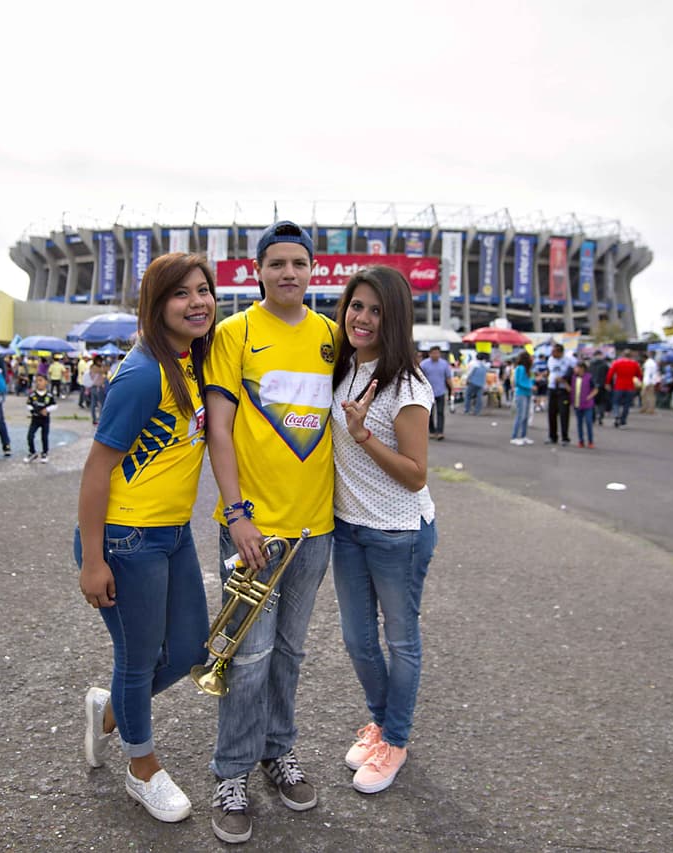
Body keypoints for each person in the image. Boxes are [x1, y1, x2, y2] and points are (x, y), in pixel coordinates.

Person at [203, 221, 338, 844]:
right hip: (254, 530)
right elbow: (220, 430)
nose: (289, 273)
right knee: (246, 657)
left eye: (299, 264)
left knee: (290, 653)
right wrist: (237, 514)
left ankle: (277, 753)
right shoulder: (235, 333)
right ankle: (230, 773)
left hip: (316, 529)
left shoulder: (332, 338)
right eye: (277, 263)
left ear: (315, 270)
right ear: (257, 270)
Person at [75, 252, 216, 824]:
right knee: (137, 661)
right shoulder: (142, 373)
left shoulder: (193, 361)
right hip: (126, 539)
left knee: (188, 650)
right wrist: (91, 559)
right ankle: (142, 767)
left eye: (203, 290)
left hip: (173, 534)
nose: (197, 302)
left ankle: (110, 713)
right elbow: (96, 468)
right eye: (181, 293)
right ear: (155, 306)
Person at [330, 266, 436, 795]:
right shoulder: (343, 368)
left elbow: (416, 473)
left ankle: (395, 738)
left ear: (394, 318)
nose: (363, 318)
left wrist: (364, 434)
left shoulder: (409, 384)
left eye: (376, 309)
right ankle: (380, 721)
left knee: (400, 640)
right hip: (347, 528)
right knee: (356, 640)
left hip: (399, 532)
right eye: (356, 305)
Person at [544, 343, 576, 445]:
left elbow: (573, 372)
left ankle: (565, 437)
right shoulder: (550, 360)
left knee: (564, 413)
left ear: (560, 352)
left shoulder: (569, 360)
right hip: (552, 388)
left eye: (554, 352)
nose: (552, 353)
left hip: (563, 389)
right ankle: (552, 436)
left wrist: (564, 378)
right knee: (551, 413)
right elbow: (550, 371)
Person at [418, 346, 452, 439]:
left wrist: (451, 389)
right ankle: (432, 431)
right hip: (428, 393)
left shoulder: (444, 364)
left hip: (441, 391)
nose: (436, 355)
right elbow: (419, 378)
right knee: (429, 413)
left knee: (440, 412)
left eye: (437, 353)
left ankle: (440, 432)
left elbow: (448, 378)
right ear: (430, 354)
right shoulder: (424, 364)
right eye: (434, 353)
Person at [24, 374, 57, 463]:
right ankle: (32, 452)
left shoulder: (49, 395)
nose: (38, 383)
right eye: (37, 381)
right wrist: (33, 410)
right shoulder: (32, 395)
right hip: (35, 419)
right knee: (30, 436)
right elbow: (28, 404)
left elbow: (54, 405)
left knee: (44, 437)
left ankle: (45, 453)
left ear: (46, 382)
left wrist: (47, 409)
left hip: (45, 419)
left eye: (41, 380)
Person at [607, 351, 642, 428]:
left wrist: (608, 383)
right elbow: (639, 375)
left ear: (623, 355)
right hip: (630, 387)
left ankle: (616, 416)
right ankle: (623, 421)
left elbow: (610, 374)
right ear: (631, 356)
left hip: (619, 386)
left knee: (616, 402)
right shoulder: (635, 364)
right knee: (627, 405)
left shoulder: (617, 363)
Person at [509, 352, 534, 445]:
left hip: (527, 393)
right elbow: (518, 382)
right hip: (521, 393)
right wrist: (530, 386)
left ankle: (524, 436)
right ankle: (514, 436)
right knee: (521, 415)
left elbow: (531, 380)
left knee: (525, 416)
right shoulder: (520, 368)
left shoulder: (529, 370)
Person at [571, 361, 597, 448]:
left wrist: (589, 396)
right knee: (579, 423)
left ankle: (590, 441)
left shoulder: (589, 377)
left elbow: (595, 389)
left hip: (587, 404)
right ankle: (581, 440)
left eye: (577, 367)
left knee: (588, 422)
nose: (575, 369)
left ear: (582, 368)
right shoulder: (574, 377)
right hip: (577, 403)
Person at [463, 352, 489, 416]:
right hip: (481, 384)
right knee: (479, 398)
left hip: (472, 382)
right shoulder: (485, 365)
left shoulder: (473, 364)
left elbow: (469, 373)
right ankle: (477, 411)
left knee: (468, 396)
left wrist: (466, 380)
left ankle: (467, 410)